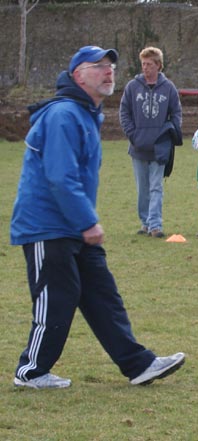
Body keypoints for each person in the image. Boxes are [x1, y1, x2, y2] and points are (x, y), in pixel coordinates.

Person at [10, 45, 185, 389]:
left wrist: (83, 221)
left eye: (111, 67)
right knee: (57, 297)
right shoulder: (63, 115)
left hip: (73, 226)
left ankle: (139, 365)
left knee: (103, 295)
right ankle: (31, 372)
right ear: (78, 75)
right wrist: (88, 221)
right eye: (98, 66)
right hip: (47, 226)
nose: (108, 72)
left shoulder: (85, 114)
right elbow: (60, 177)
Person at [119, 46, 182, 238]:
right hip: (138, 146)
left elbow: (176, 113)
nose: (145, 68)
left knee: (156, 187)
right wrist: (133, 134)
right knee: (143, 189)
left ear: (158, 66)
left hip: (160, 146)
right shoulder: (132, 86)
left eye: (149, 64)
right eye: (143, 64)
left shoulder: (169, 88)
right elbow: (124, 112)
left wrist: (169, 133)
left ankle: (156, 225)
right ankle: (145, 222)